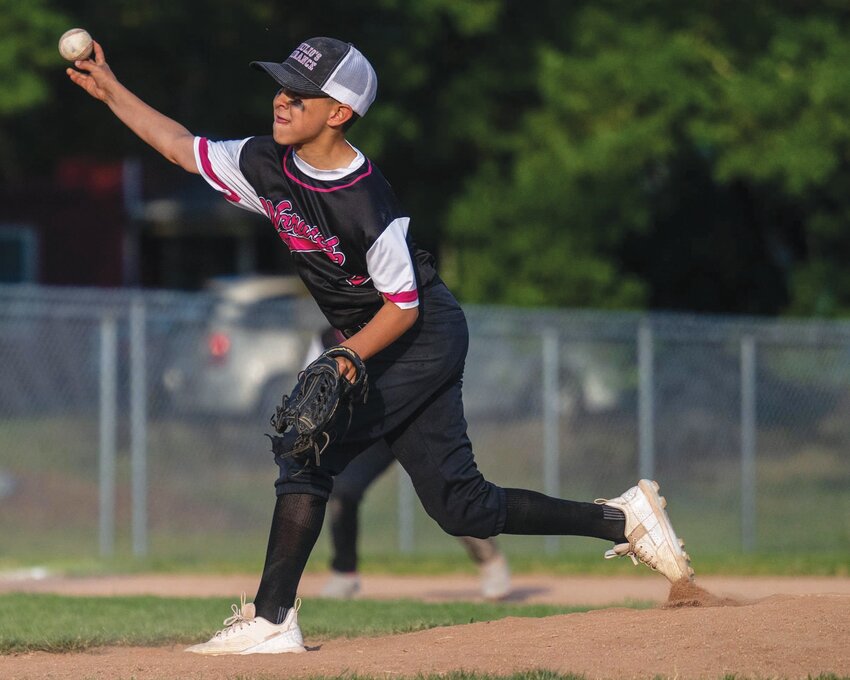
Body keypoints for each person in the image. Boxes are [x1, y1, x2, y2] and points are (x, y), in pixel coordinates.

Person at [67, 36, 693, 656]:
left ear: (338, 112)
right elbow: (180, 148)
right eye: (280, 87)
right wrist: (112, 89)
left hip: (418, 335)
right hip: (382, 338)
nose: (281, 100)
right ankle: (623, 519)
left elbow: (404, 307)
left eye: (300, 93)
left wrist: (344, 357)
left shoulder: (369, 203)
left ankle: (271, 619)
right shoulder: (264, 161)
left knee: (306, 453)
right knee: (462, 507)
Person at [305, 328, 512, 601]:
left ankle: (490, 561)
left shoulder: (392, 321)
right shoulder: (326, 340)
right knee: (343, 490)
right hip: (368, 430)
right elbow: (311, 387)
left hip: (409, 421)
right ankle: (345, 573)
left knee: (450, 498)